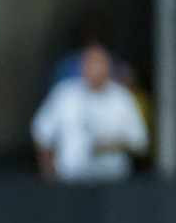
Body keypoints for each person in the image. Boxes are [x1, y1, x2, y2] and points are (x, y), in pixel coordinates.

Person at [32, 45, 148, 183]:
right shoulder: (65, 94)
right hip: (71, 180)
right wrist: (49, 175)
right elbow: (41, 133)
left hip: (112, 181)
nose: (95, 69)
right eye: (90, 63)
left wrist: (109, 145)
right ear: (82, 66)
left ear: (108, 67)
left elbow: (140, 142)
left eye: (99, 63)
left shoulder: (122, 97)